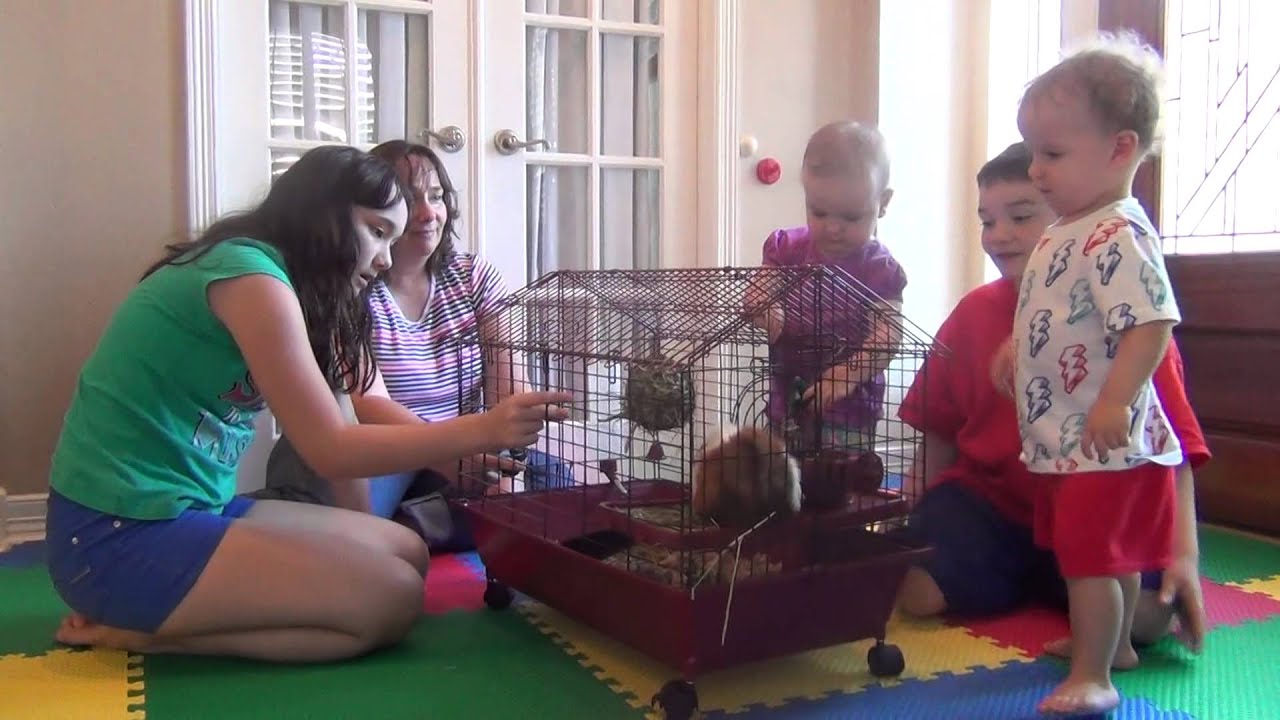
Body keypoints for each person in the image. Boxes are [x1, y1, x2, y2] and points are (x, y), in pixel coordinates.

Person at [44, 145, 570, 663]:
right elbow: (330, 448)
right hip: (113, 538)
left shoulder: (298, 289)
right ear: (325, 217)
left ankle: (176, 615)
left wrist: (367, 540)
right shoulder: (252, 278)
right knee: (392, 601)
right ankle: (149, 636)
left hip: (195, 509)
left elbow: (341, 418)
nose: (385, 259)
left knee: (405, 552)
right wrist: (482, 431)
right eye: (377, 231)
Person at [896, 140, 1208, 688]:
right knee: (919, 593)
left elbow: (1173, 446)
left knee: (1148, 620)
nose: (998, 236)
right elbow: (938, 428)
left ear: (1069, 219)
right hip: (995, 503)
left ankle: (1063, 588)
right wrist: (918, 518)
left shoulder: (1133, 322)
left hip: (1096, 501)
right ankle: (1040, 582)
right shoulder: (973, 313)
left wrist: (1183, 555)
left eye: (1020, 217)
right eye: (986, 221)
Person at [255, 140, 573, 544]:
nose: (427, 213)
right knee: (344, 498)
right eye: (410, 198)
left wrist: (507, 467)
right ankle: (424, 527)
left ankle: (423, 526)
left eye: (437, 197)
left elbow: (509, 391)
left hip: (465, 447)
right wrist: (450, 457)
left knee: (554, 481)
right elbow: (365, 404)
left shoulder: (474, 276)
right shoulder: (345, 283)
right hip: (387, 450)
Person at [1003, 32, 1185, 715]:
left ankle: (1093, 673)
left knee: (1090, 560)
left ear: (1120, 150)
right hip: (1069, 432)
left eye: (1053, 154)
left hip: (1102, 437)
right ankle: (1119, 649)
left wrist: (1116, 400)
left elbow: (1152, 322)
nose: (1038, 171)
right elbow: (1055, 310)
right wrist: (1013, 352)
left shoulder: (1119, 231)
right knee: (1097, 553)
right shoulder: (1070, 226)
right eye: (1033, 154)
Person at [747, 121, 908, 452]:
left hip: (848, 410)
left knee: (837, 486)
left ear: (884, 203)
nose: (833, 228)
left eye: (851, 217)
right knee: (783, 478)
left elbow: (889, 334)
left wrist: (846, 375)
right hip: (785, 397)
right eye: (818, 212)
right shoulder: (787, 247)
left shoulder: (879, 268)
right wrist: (764, 302)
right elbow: (758, 291)